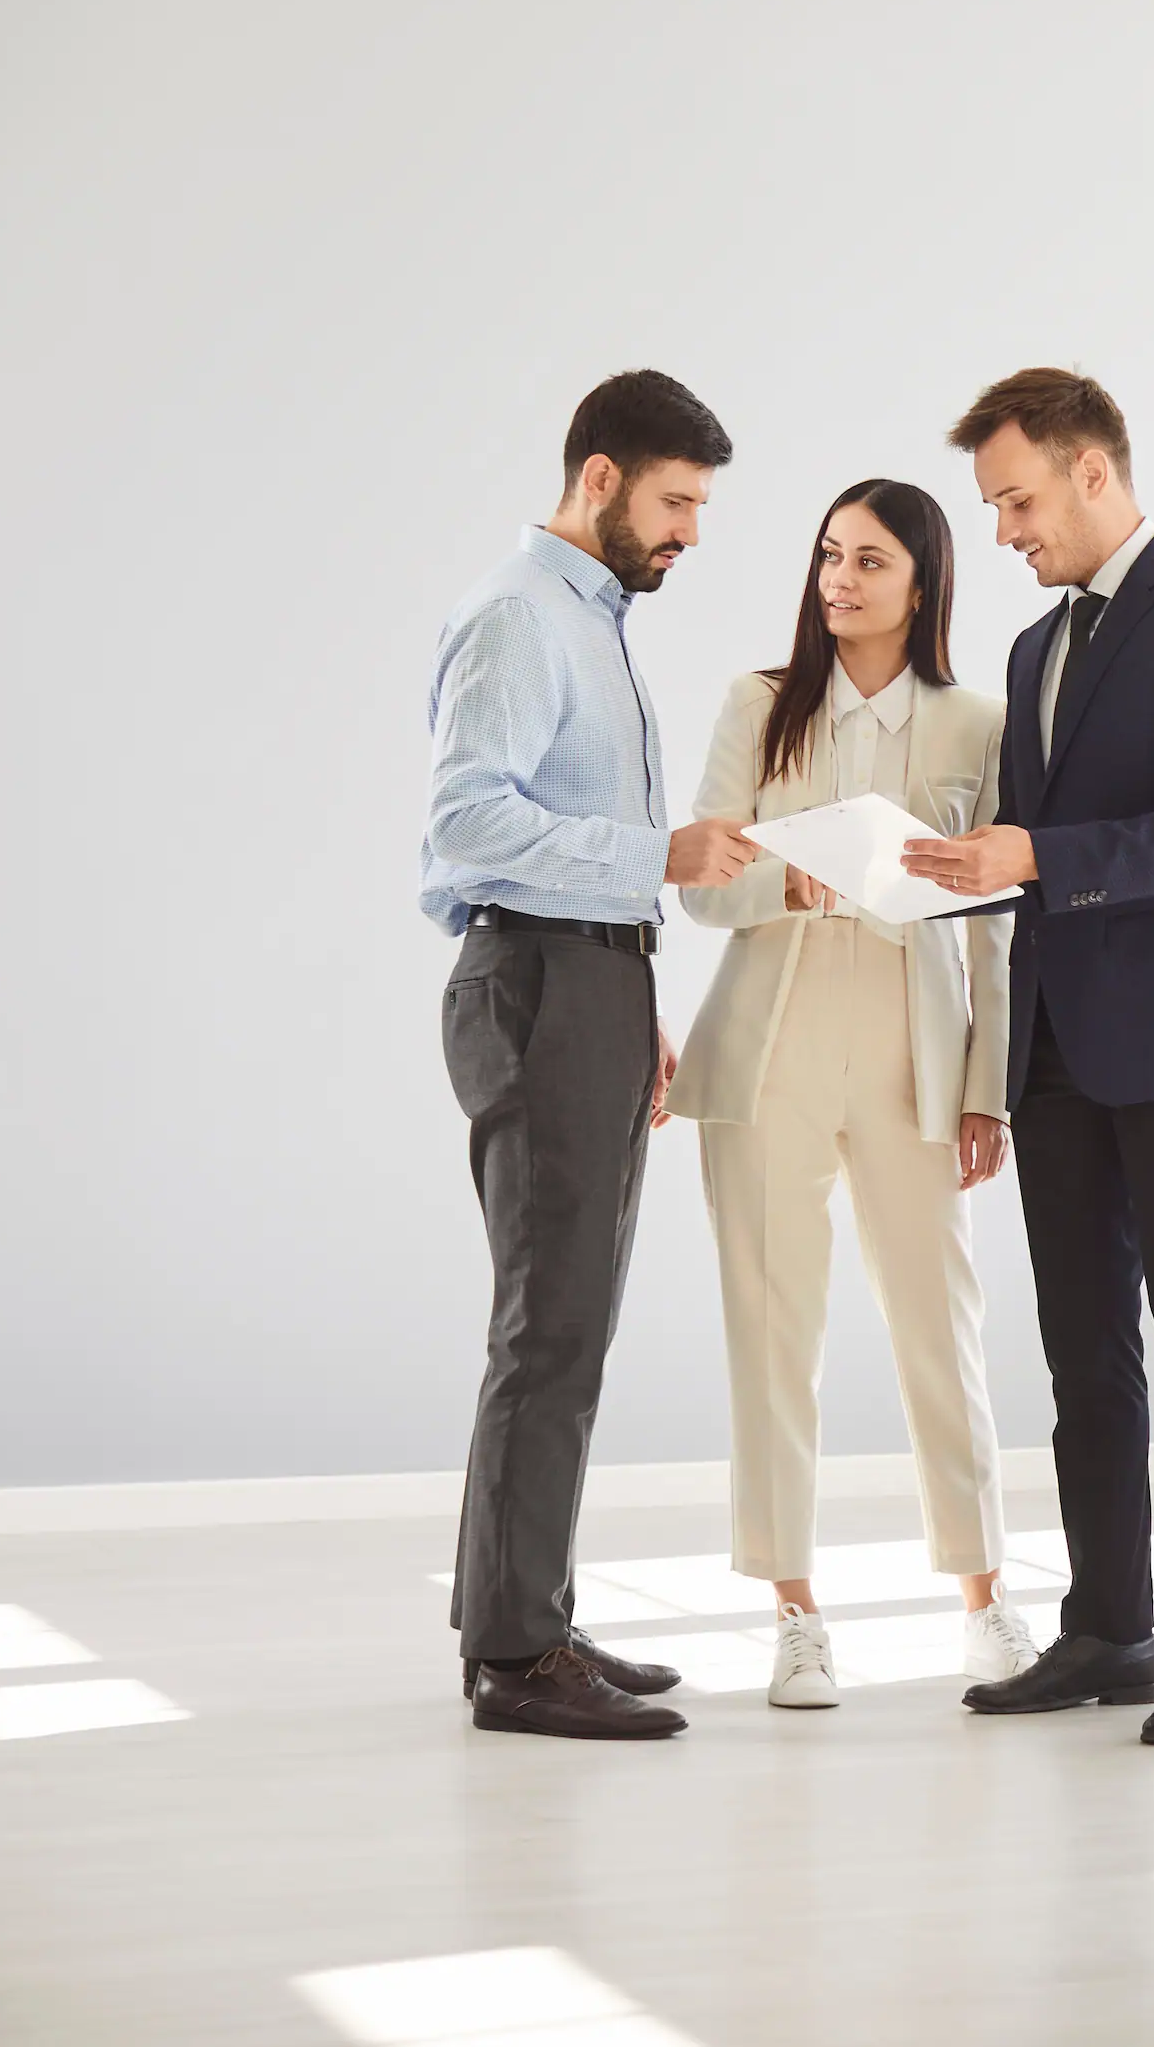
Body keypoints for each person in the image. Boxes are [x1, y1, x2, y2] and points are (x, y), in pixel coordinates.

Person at [906, 367, 1154, 1746]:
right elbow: (1030, 847)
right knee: (1083, 1352)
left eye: (1015, 499)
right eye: (993, 507)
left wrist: (1040, 856)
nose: (1005, 531)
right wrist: (928, 876)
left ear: (1090, 470)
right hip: (1058, 1045)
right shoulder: (1032, 651)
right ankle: (1111, 1628)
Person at [421, 369, 760, 1740]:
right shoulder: (519, 616)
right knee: (549, 1322)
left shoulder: (592, 620)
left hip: (590, 987)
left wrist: (634, 995)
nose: (689, 532)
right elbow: (469, 823)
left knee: (568, 1319)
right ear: (601, 478)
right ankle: (515, 1655)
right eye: (676, 503)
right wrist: (655, 863)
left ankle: (522, 1617)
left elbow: (563, 840)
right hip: (539, 985)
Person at [667, 478, 1040, 1708]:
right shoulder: (758, 705)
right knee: (774, 1337)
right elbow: (705, 885)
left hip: (910, 1057)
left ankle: (985, 1599)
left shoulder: (976, 727)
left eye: (869, 561)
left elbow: (993, 927)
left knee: (944, 1330)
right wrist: (800, 882)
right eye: (829, 555)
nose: (840, 578)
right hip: (768, 1048)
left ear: (922, 581)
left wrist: (987, 1090)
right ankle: (794, 1614)